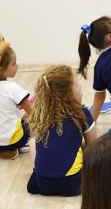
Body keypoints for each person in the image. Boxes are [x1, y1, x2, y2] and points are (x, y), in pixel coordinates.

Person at [26, 65, 97, 196]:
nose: (81, 88)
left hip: (42, 184)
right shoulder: (82, 113)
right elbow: (94, 147)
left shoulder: (41, 114)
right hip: (73, 184)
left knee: (32, 142)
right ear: (67, 93)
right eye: (77, 85)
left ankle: (44, 172)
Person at [0, 34, 32, 159]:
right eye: (14, 63)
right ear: (1, 70)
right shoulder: (12, 87)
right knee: (34, 108)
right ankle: (24, 143)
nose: (17, 66)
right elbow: (32, 111)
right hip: (13, 140)